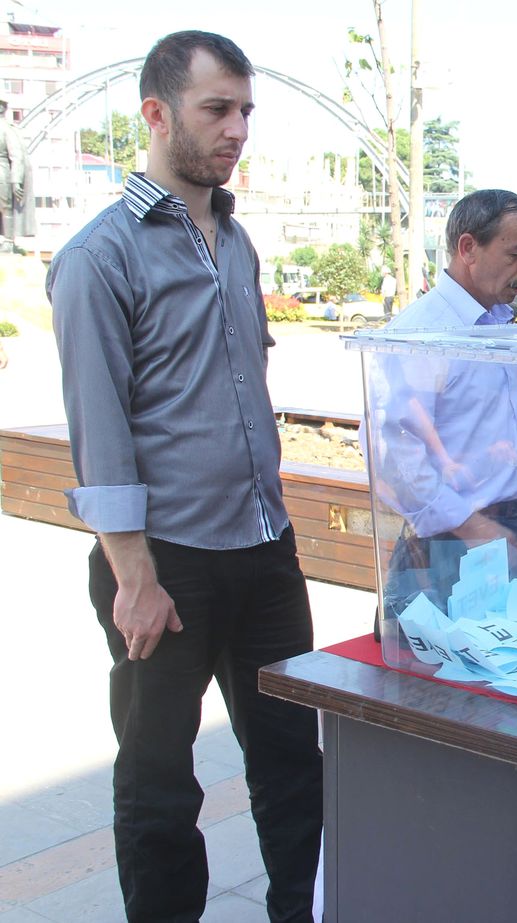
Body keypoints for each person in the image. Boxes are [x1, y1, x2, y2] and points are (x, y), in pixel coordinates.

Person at [47, 32, 322, 922]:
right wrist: (134, 577)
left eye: (246, 110)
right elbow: (102, 426)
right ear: (157, 115)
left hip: (264, 548)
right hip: (165, 565)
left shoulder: (234, 242)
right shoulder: (100, 257)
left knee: (294, 761)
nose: (238, 128)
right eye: (218, 109)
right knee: (161, 784)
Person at [365, 189, 517, 621]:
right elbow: (390, 450)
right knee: (443, 681)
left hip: (510, 528)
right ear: (468, 248)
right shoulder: (422, 333)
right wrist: (472, 527)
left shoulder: (501, 323)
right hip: (452, 542)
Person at [0, 96, 31, 252]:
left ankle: (8, 241)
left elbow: (16, 156)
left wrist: (15, 180)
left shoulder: (6, 129)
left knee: (5, 208)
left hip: (2, 172)